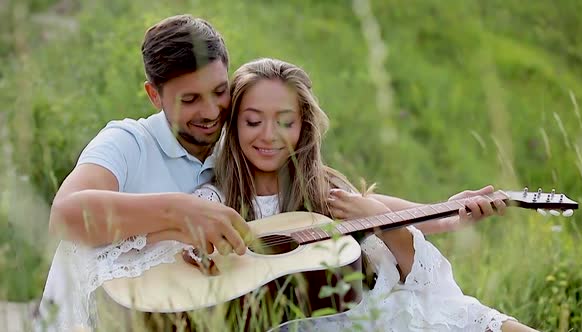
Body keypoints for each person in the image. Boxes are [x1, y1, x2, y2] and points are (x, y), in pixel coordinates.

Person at [36, 14, 519, 331]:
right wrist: (179, 212)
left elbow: (329, 194)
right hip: (99, 314)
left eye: (220, 92)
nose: (211, 111)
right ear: (154, 96)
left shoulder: (236, 139)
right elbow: (66, 215)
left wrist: (447, 214)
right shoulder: (126, 142)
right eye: (190, 100)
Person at [180, 57, 538, 332]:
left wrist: (445, 215)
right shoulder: (215, 201)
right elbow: (184, 263)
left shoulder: (325, 192)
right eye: (253, 121)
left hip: (363, 315)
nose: (269, 136)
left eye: (286, 122)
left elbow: (414, 266)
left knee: (459, 316)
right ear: (234, 123)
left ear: (304, 127)